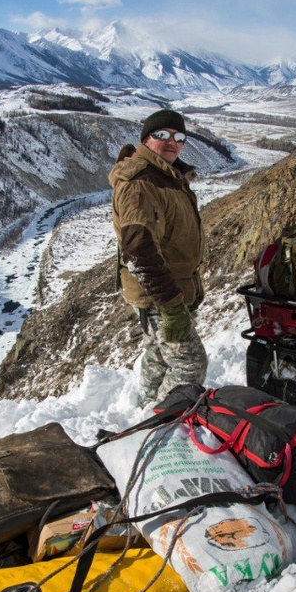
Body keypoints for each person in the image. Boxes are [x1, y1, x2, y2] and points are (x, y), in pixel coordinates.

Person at [109, 109, 206, 407]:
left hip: (166, 290)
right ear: (146, 139)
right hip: (159, 295)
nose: (172, 142)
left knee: (159, 354)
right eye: (162, 134)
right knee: (190, 365)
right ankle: (162, 420)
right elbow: (139, 250)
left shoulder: (165, 175)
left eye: (179, 137)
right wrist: (171, 305)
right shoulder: (142, 182)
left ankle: (145, 408)